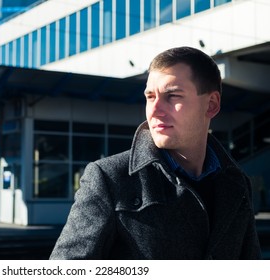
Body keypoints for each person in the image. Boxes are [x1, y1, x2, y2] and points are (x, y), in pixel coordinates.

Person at [50, 46, 262, 259]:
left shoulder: (237, 182)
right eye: (150, 97)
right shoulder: (109, 179)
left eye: (172, 95)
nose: (155, 110)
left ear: (211, 105)